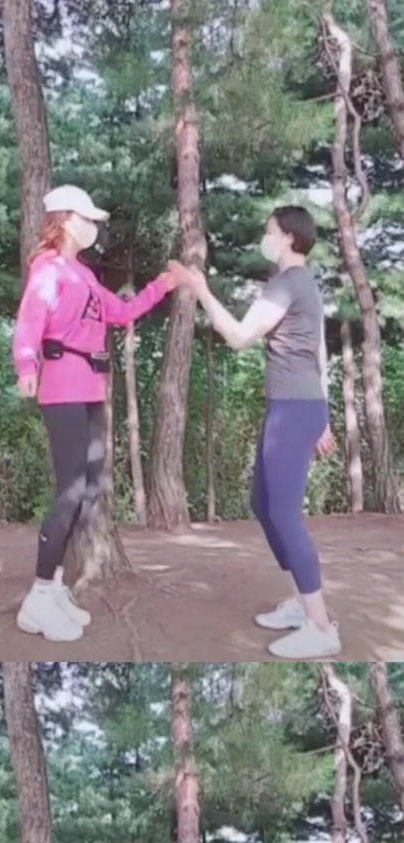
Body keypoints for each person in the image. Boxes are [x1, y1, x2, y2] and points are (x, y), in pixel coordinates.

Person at [170, 206, 341, 662]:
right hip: (297, 406)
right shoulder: (305, 284)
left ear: (287, 237)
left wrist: (201, 290)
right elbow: (318, 353)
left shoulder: (289, 283)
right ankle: (300, 601)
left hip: (294, 408)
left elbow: (240, 336)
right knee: (263, 505)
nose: (264, 238)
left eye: (269, 231)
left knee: (283, 512)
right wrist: (323, 417)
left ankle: (321, 627)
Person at [13, 184, 180, 642]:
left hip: (91, 387)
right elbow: (30, 320)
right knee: (69, 492)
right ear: (67, 220)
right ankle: (38, 595)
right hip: (62, 386)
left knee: (88, 491)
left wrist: (162, 286)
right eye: (87, 219)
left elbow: (121, 312)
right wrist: (26, 365)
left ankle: (54, 587)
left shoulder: (83, 274)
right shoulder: (48, 268)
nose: (93, 227)